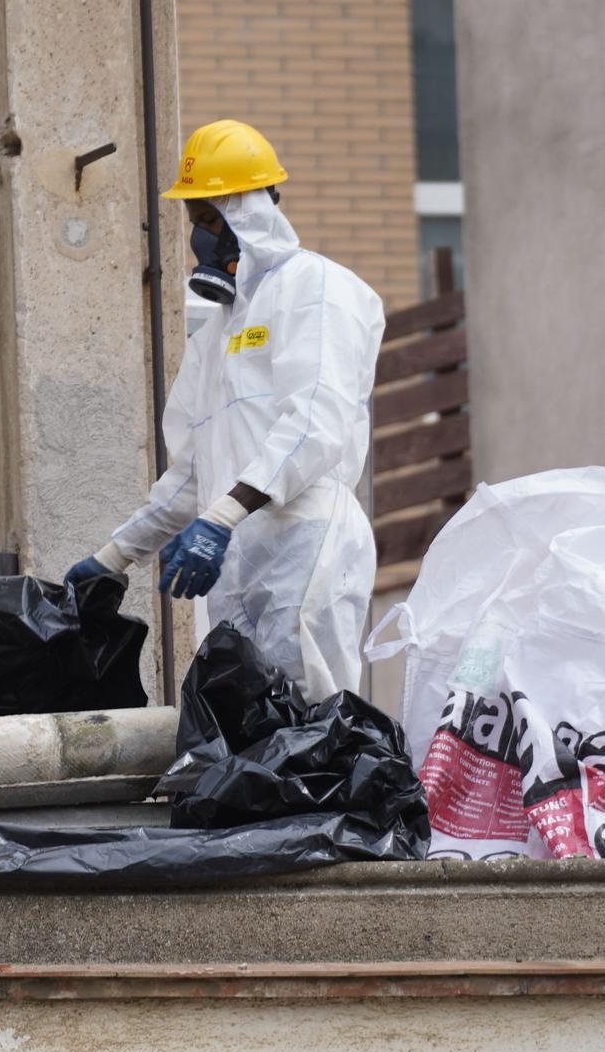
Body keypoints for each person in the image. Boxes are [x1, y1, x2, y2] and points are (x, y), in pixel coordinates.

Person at [65, 120, 384, 699]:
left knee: (311, 725)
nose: (203, 238)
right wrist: (112, 557)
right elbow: (190, 477)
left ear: (255, 210)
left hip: (303, 547)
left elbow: (316, 424)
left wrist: (220, 519)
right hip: (232, 562)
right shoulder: (214, 335)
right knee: (242, 733)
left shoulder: (315, 288)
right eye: (196, 223)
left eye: (214, 218)